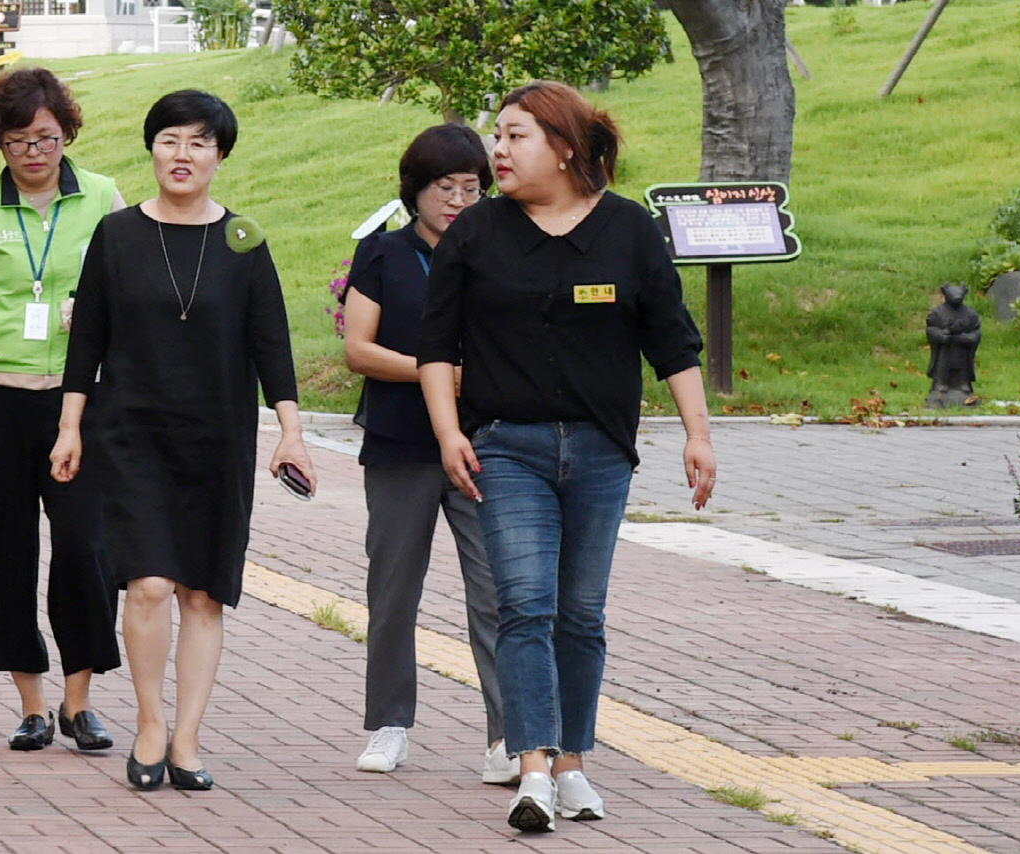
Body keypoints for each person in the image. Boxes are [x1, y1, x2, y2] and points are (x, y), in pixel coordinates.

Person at [418, 81, 717, 834]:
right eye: (498, 135)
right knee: (525, 606)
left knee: (580, 615)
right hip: (504, 448)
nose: (497, 150)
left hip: (600, 451)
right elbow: (436, 345)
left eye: (515, 135)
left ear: (563, 147)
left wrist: (699, 434)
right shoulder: (476, 233)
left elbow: (673, 341)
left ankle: (573, 763)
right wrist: (449, 433)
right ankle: (532, 771)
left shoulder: (629, 230)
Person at [52, 89, 314, 793]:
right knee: (148, 585)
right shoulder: (117, 235)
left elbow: (272, 345)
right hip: (132, 434)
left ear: (220, 156)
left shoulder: (243, 240)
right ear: (151, 149)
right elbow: (88, 340)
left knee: (202, 593)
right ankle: (149, 723)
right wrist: (71, 426)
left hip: (218, 439)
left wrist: (291, 432)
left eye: (199, 143)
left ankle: (188, 739)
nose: (183, 154)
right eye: (170, 140)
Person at [0, 65, 122, 753]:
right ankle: (33, 704)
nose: (34, 152)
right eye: (17, 141)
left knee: (85, 547)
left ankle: (80, 702)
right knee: (3, 551)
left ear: (66, 132)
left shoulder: (102, 198)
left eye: (46, 137)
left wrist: (97, 317)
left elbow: (129, 296)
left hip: (80, 402)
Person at [341, 124, 514, 785]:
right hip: (401, 444)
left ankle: (508, 736)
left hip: (486, 443)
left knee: (496, 593)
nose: (458, 201)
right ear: (415, 190)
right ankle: (389, 725)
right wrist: (438, 372)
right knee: (392, 591)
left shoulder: (500, 250)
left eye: (472, 188)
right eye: (445, 188)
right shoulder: (383, 253)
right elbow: (359, 349)